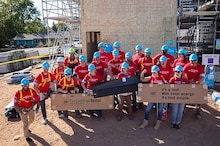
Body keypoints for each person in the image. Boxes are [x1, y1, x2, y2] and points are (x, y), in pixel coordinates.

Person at [139, 65, 167, 130]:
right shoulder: (151, 77)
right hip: (153, 96)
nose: (153, 74)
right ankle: (145, 122)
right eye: (152, 72)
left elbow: (166, 85)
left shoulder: (162, 78)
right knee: (148, 109)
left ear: (158, 72)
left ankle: (158, 122)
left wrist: (162, 85)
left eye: (155, 72)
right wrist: (143, 73)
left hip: (160, 97)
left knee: (160, 110)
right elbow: (142, 79)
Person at [14, 78, 40, 142]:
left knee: (32, 119)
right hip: (22, 109)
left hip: (30, 108)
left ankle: (26, 127)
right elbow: (15, 105)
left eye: (26, 85)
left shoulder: (32, 91)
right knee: (25, 124)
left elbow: (37, 99)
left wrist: (37, 108)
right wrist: (21, 112)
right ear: (21, 86)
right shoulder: (18, 93)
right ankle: (26, 136)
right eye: (24, 85)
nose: (25, 86)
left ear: (28, 85)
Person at [183, 53, 204, 119]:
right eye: (191, 61)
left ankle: (198, 110)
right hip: (188, 82)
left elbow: (202, 77)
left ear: (197, 61)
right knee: (185, 95)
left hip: (196, 83)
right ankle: (183, 107)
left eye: (194, 61)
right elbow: (183, 75)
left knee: (199, 96)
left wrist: (197, 82)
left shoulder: (200, 67)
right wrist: (187, 80)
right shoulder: (187, 66)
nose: (193, 62)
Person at [157, 55, 173, 121]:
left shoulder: (169, 67)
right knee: (159, 100)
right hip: (159, 85)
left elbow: (172, 75)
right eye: (161, 62)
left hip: (167, 85)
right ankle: (159, 112)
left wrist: (169, 82)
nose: (163, 63)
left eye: (164, 61)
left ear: (166, 61)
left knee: (165, 100)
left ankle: (164, 113)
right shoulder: (158, 67)